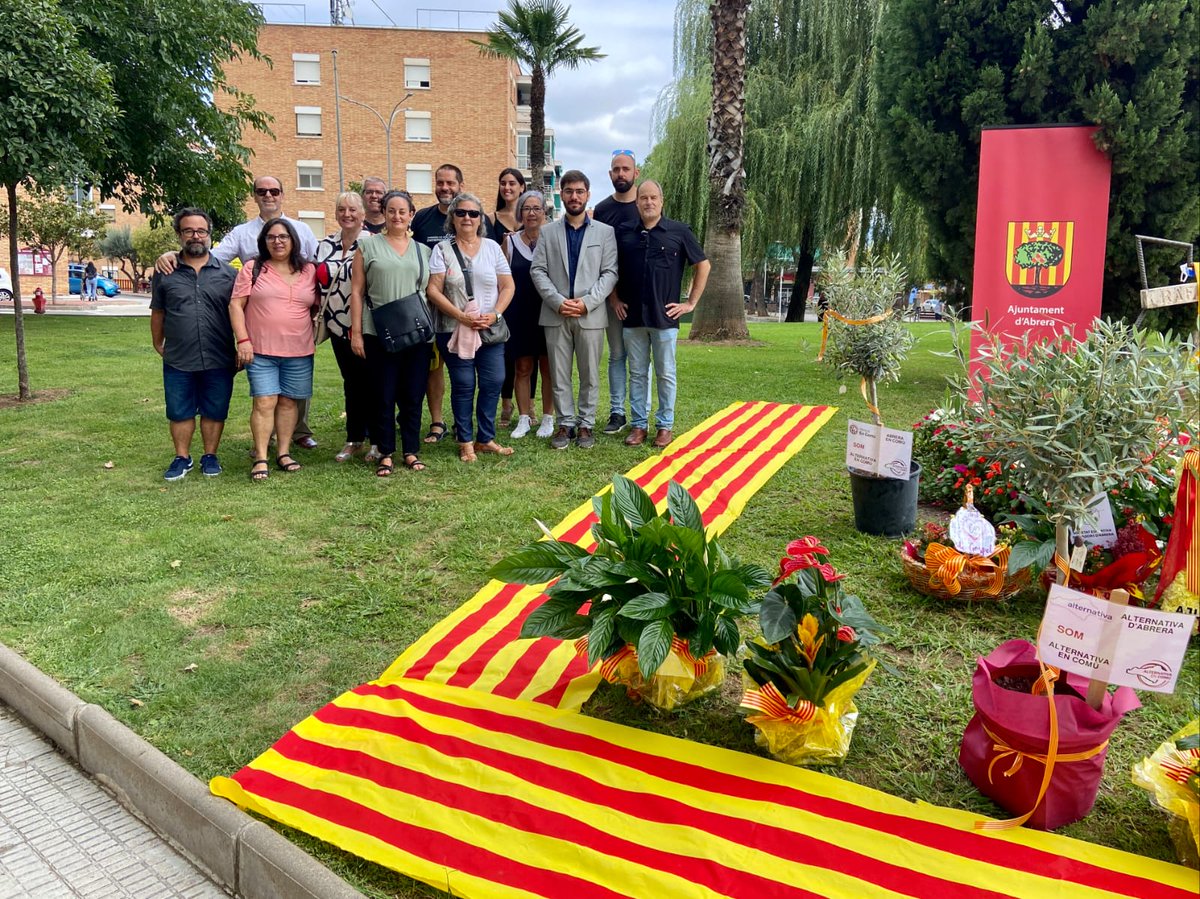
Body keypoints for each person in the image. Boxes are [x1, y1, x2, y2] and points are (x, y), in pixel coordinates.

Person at [156, 175, 321, 448]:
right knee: (265, 396)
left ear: (283, 194)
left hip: (295, 332)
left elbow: (316, 270)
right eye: (262, 191)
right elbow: (210, 256)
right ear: (254, 195)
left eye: (274, 190)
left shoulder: (302, 230)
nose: (268, 195)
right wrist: (173, 254)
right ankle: (264, 443)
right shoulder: (242, 233)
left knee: (293, 394)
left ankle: (298, 433)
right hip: (259, 323)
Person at [613, 180, 710, 449]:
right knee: (638, 373)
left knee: (666, 373)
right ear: (637, 203)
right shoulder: (624, 233)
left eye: (653, 197)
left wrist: (690, 303)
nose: (648, 202)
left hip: (665, 318)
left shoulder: (679, 232)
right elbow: (610, 269)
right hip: (632, 318)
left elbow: (703, 264)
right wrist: (614, 299)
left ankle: (665, 426)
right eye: (643, 198)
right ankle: (639, 425)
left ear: (661, 201)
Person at [530, 170, 618, 450]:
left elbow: (610, 273)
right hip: (556, 314)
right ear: (561, 194)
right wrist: (557, 301)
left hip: (590, 315)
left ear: (587, 194)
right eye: (568, 191)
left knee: (590, 373)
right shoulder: (547, 232)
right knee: (559, 373)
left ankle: (586, 424)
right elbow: (538, 270)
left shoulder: (605, 233)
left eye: (580, 191)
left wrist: (587, 302)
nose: (574, 196)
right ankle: (565, 423)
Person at [350, 190, 435, 475]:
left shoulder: (423, 251)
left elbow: (428, 292)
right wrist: (357, 332)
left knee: (413, 394)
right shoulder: (368, 247)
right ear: (383, 213)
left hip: (416, 333)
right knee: (382, 394)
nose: (397, 216)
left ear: (411, 214)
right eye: (391, 211)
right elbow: (358, 291)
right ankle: (386, 451)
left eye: (403, 211)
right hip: (379, 332)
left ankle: (410, 450)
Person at [426, 192, 515, 463]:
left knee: (493, 381)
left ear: (481, 219)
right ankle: (465, 440)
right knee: (464, 384)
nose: (467, 217)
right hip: (454, 329)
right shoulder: (441, 250)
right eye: (461, 212)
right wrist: (461, 317)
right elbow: (434, 290)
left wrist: (495, 314)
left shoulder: (491, 248)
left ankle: (485, 438)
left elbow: (508, 286)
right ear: (452, 217)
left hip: (489, 328)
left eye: (473, 213)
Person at [150, 208, 238, 480]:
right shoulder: (165, 272)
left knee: (215, 409)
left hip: (219, 355)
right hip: (179, 356)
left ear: (210, 235)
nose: (195, 236)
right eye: (188, 231)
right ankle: (182, 457)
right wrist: (158, 343)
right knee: (179, 410)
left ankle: (210, 456)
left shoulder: (227, 274)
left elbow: (240, 313)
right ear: (179, 235)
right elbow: (158, 312)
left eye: (201, 231)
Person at [229, 219, 319, 481]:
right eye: (271, 237)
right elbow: (236, 306)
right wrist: (242, 340)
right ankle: (260, 457)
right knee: (264, 401)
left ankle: (283, 452)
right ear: (263, 241)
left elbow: (316, 306)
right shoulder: (252, 269)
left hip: (299, 349)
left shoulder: (309, 271)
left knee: (290, 402)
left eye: (283, 237)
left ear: (293, 241)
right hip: (260, 349)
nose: (277, 241)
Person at [314, 190, 377, 464]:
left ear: (363, 214)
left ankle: (377, 440)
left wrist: (359, 330)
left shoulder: (373, 243)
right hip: (337, 326)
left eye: (353, 209)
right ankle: (354, 439)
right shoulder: (324, 244)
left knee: (373, 384)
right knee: (351, 384)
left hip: (365, 326)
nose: (347, 214)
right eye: (342, 209)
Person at [410, 164, 468, 446]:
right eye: (440, 183)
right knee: (434, 366)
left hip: (463, 308)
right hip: (429, 305)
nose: (445, 188)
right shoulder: (422, 218)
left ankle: (463, 421)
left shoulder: (471, 215)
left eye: (450, 183)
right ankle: (437, 422)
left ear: (460, 185)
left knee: (463, 367)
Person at [593, 150, 642, 435]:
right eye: (616, 169)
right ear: (610, 174)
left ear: (636, 173)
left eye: (626, 169)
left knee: (639, 359)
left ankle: (640, 415)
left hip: (641, 299)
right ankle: (616, 412)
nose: (621, 174)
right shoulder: (602, 210)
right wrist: (611, 297)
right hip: (611, 298)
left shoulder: (646, 205)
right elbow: (601, 258)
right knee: (616, 355)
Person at [502, 190, 555, 439]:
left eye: (536, 208)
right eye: (526, 208)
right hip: (519, 313)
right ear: (520, 212)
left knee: (548, 367)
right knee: (522, 367)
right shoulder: (509, 242)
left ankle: (547, 418)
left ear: (544, 212)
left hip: (548, 312)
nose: (531, 213)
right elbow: (501, 279)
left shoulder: (554, 240)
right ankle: (523, 418)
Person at [492, 166, 527, 427]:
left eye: (513, 183)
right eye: (503, 183)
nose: (508, 187)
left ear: (521, 187)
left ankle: (530, 404)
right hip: (501, 295)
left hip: (529, 294)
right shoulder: (490, 219)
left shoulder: (533, 218)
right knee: (505, 350)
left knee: (530, 353)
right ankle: (506, 402)